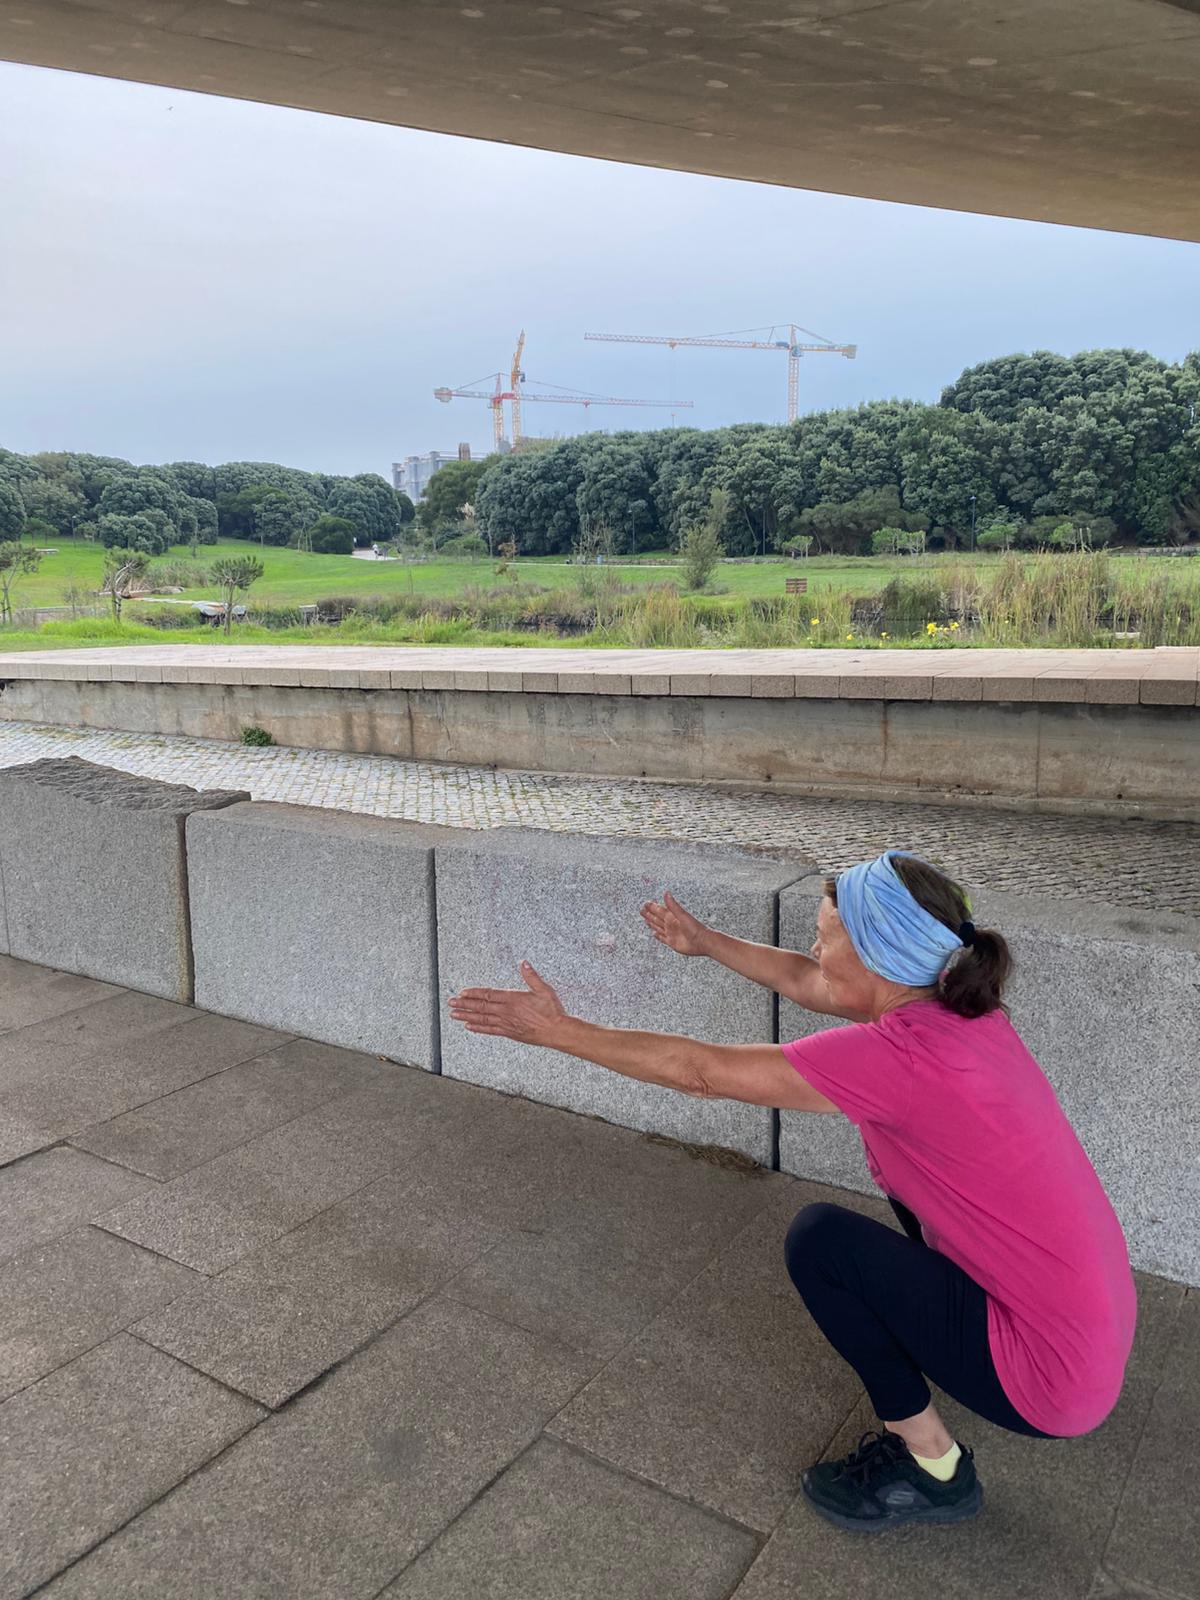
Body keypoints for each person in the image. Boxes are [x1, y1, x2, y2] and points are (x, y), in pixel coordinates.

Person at [447, 850, 1136, 1533]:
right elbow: (808, 980)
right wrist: (704, 942)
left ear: (875, 954)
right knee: (897, 1211)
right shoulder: (963, 1010)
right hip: (1086, 1331)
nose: (813, 949)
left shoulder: (901, 1058)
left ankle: (933, 1468)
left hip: (1048, 1380)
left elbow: (700, 1072)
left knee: (822, 1242)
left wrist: (559, 1031)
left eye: (825, 935)